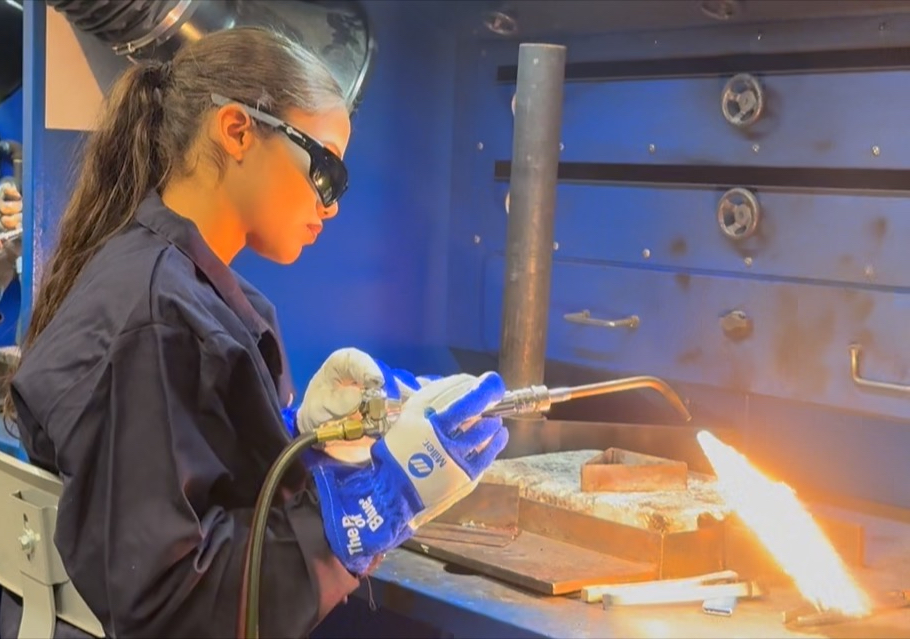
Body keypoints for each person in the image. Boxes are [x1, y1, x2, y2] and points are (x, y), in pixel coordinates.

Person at [0, 27, 509, 639]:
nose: (332, 204)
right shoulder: (156, 314)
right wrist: (370, 508)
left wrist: (310, 441)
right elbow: (172, 610)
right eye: (325, 169)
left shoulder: (184, 291)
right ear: (238, 131)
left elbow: (186, 477)